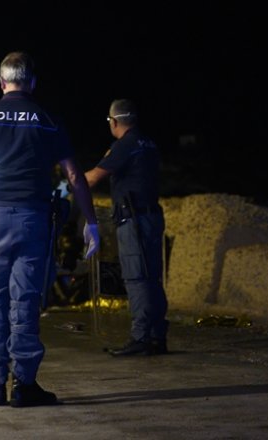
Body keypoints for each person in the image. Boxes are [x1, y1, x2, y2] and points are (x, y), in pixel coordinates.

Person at [0, 52, 100, 407]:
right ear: (32, 82)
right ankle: (25, 385)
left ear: (2, 82)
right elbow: (74, 176)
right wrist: (90, 222)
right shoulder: (47, 119)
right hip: (32, 219)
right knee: (26, 300)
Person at [84, 99, 169, 356]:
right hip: (151, 215)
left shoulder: (125, 145)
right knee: (152, 278)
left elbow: (94, 177)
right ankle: (156, 337)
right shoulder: (148, 143)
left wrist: (69, 182)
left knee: (136, 278)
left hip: (133, 220)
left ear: (115, 121)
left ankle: (140, 338)